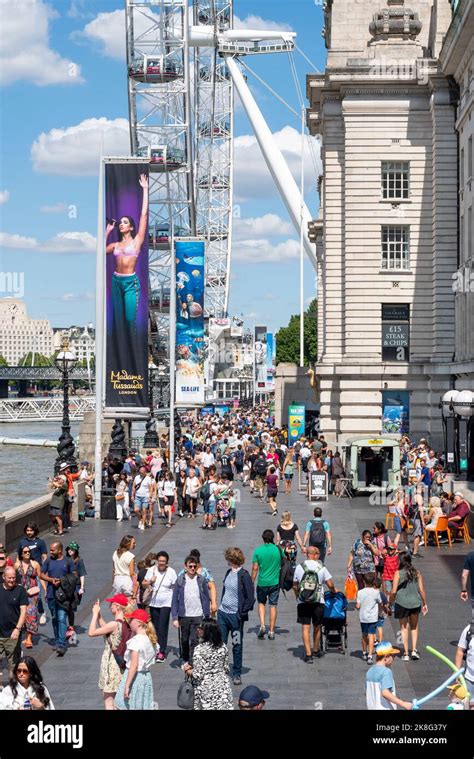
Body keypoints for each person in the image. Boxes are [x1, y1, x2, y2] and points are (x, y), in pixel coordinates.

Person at [105, 173, 149, 336]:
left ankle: (132, 348)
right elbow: (101, 252)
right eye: (120, 223)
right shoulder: (115, 245)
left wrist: (145, 189)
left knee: (130, 318)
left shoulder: (137, 241)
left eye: (125, 222)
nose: (121, 225)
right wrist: (107, 232)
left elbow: (143, 215)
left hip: (130, 282)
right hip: (116, 281)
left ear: (131, 227)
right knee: (118, 319)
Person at [217, 547, 255, 687]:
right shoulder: (228, 572)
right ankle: (219, 670)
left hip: (235, 618)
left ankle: (237, 672)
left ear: (232, 559)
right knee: (220, 643)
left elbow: (250, 598)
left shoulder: (244, 575)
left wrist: (241, 613)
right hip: (223, 614)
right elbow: (225, 590)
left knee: (237, 644)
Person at [293, 545, 337, 662]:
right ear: (315, 554)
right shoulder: (321, 567)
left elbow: (295, 584)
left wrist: (298, 595)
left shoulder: (299, 567)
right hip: (318, 601)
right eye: (318, 553)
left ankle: (308, 655)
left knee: (305, 627)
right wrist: (334, 591)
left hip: (303, 601)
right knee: (317, 627)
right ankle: (316, 650)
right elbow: (330, 584)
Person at [88, 593, 129, 710]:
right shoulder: (124, 623)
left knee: (109, 702)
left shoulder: (114, 624)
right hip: (119, 665)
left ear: (117, 606)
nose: (110, 605)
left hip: (110, 665)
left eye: (112, 604)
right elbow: (107, 631)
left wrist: (95, 614)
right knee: (117, 701)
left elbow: (91, 632)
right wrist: (100, 615)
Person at [183, 618, 233, 710]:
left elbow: (198, 675)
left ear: (207, 632)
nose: (197, 629)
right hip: (223, 687)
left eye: (201, 628)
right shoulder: (223, 647)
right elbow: (226, 668)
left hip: (206, 689)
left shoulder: (199, 649)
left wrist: (187, 670)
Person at [114, 608, 158, 711]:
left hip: (135, 678)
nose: (129, 622)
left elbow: (134, 666)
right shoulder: (150, 639)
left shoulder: (136, 641)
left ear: (138, 623)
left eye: (131, 620)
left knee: (120, 705)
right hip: (146, 677)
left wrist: (127, 685)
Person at [172, 555, 211, 665]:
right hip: (184, 615)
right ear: (185, 566)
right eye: (190, 566)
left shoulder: (201, 580)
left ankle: (192, 660)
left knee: (195, 640)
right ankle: (185, 658)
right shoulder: (180, 580)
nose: (192, 568)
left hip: (197, 614)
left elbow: (206, 598)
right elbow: (174, 599)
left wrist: (207, 614)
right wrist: (175, 618)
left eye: (194, 566)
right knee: (184, 639)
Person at [40, 542, 77, 657]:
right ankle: (57, 640)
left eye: (53, 550)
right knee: (55, 618)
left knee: (61, 618)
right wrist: (51, 580)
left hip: (64, 596)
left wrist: (63, 580)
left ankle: (61, 644)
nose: (50, 552)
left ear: (60, 550)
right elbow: (41, 574)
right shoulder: (49, 561)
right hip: (51, 594)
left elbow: (74, 575)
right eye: (50, 550)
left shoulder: (68, 561)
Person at [390, 553, 428, 661]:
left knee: (403, 628)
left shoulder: (398, 573)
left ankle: (406, 653)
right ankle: (414, 650)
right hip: (415, 602)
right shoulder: (417, 572)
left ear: (400, 562)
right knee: (414, 627)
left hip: (401, 602)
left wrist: (390, 602)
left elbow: (393, 591)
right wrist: (425, 603)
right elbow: (421, 590)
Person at [142, 551, 177, 662]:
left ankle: (161, 651)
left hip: (166, 602)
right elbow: (143, 583)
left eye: (164, 561)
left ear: (167, 562)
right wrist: (150, 581)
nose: (161, 563)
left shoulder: (171, 572)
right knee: (155, 626)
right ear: (157, 561)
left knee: (162, 626)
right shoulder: (151, 570)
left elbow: (175, 587)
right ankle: (156, 648)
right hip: (153, 602)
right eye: (160, 561)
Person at [251, 530, 283, 640]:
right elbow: (284, 560)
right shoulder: (278, 550)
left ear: (263, 538)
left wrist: (251, 581)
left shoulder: (258, 551)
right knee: (273, 605)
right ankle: (272, 630)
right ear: (273, 538)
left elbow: (255, 568)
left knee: (261, 603)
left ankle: (263, 625)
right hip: (275, 582)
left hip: (262, 582)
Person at [366, 642, 413, 710]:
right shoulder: (386, 672)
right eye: (393, 655)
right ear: (386, 656)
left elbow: (367, 693)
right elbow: (385, 693)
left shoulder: (369, 671)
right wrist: (403, 704)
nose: (394, 658)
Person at [16, 523, 47, 626]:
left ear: (35, 531)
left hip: (35, 571)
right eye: (27, 530)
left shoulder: (40, 542)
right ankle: (24, 614)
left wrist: (43, 569)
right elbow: (18, 556)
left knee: (36, 595)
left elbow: (44, 556)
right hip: (23, 572)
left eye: (31, 530)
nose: (29, 532)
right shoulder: (22, 542)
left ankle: (41, 612)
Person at [0, 567, 28, 675]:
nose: (12, 580)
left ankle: (13, 687)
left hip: (13, 633)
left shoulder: (20, 591)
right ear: (3, 577)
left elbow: (23, 612)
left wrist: (17, 628)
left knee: (13, 663)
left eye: (13, 578)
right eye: (9, 578)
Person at [14, 545, 41, 649]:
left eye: (29, 551)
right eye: (25, 552)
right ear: (21, 553)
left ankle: (29, 637)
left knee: (31, 614)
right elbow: (13, 579)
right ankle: (25, 634)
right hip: (20, 593)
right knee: (22, 614)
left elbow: (40, 577)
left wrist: (44, 589)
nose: (27, 553)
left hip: (32, 594)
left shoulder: (35, 564)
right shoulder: (17, 565)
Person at [356, 572, 382, 664]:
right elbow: (380, 602)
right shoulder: (376, 592)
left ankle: (364, 652)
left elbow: (358, 606)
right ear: (373, 582)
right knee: (371, 635)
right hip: (373, 618)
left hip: (363, 617)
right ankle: (370, 656)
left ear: (364, 581)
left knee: (364, 635)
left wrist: (358, 606)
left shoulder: (360, 592)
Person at [454, 621, 474, 698]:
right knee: (469, 704)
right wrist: (457, 673)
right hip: (470, 679)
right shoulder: (469, 630)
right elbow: (460, 651)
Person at [132, 465, 155, 531]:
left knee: (144, 511)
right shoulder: (136, 477)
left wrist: (150, 496)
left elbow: (151, 488)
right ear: (139, 471)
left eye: (143, 471)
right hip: (138, 496)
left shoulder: (148, 478)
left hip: (145, 496)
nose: (142, 472)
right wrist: (132, 495)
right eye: (141, 470)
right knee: (136, 510)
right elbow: (134, 486)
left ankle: (142, 524)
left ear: (145, 471)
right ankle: (140, 519)